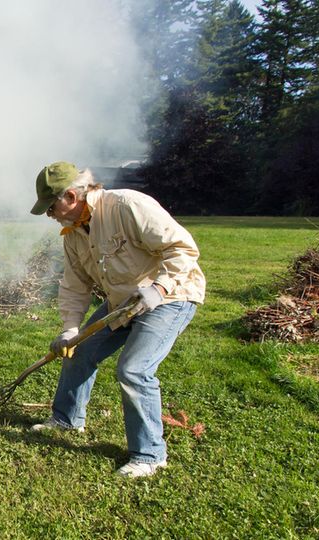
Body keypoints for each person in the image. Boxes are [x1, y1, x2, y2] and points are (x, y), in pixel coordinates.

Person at [28, 161, 206, 478]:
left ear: (70, 196)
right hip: (123, 302)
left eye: (51, 207)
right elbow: (74, 285)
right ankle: (67, 420)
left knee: (134, 369)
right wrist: (70, 329)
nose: (49, 215)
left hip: (171, 296)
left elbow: (182, 248)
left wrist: (160, 287)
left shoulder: (127, 205)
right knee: (79, 350)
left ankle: (150, 455)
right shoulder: (73, 234)